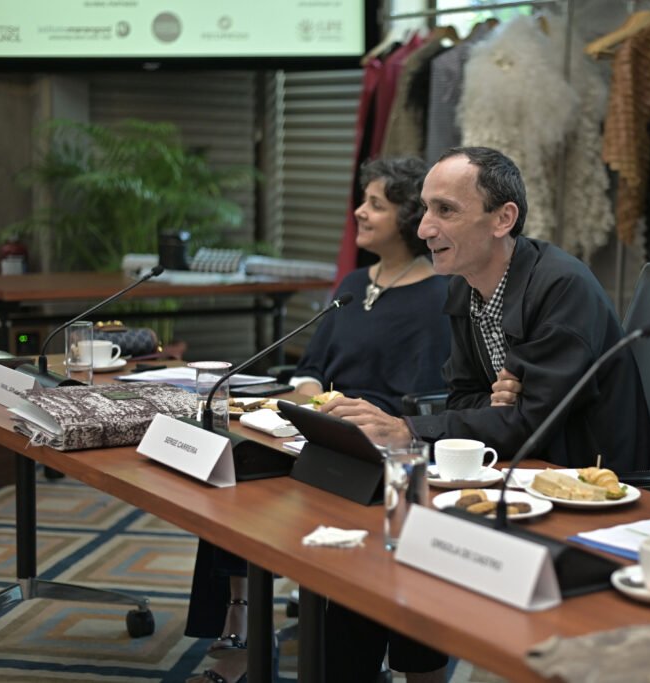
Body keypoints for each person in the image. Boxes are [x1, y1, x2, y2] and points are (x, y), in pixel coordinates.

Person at [184, 157, 451, 683]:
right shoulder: (353, 282)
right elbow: (310, 367)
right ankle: (241, 623)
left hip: (377, 447)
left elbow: (426, 399)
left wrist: (352, 419)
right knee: (227, 467)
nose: (359, 212)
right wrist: (306, 397)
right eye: (363, 201)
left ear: (408, 217)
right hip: (315, 431)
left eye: (375, 204)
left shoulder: (438, 294)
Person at [321, 146, 650, 473]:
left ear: (503, 219)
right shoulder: (463, 285)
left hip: (593, 480)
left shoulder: (563, 287)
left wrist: (408, 430)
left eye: (445, 210)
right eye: (425, 209)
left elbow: (533, 425)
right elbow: (461, 399)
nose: (424, 229)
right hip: (518, 467)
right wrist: (498, 405)